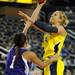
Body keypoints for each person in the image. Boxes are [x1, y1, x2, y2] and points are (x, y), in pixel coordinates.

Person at [18, 7, 69, 75]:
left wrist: (28, 17)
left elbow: (46, 28)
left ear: (60, 19)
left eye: (55, 15)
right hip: (47, 62)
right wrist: (38, 6)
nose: (52, 15)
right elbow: (34, 22)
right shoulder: (49, 31)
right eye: (53, 14)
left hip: (55, 62)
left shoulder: (61, 29)